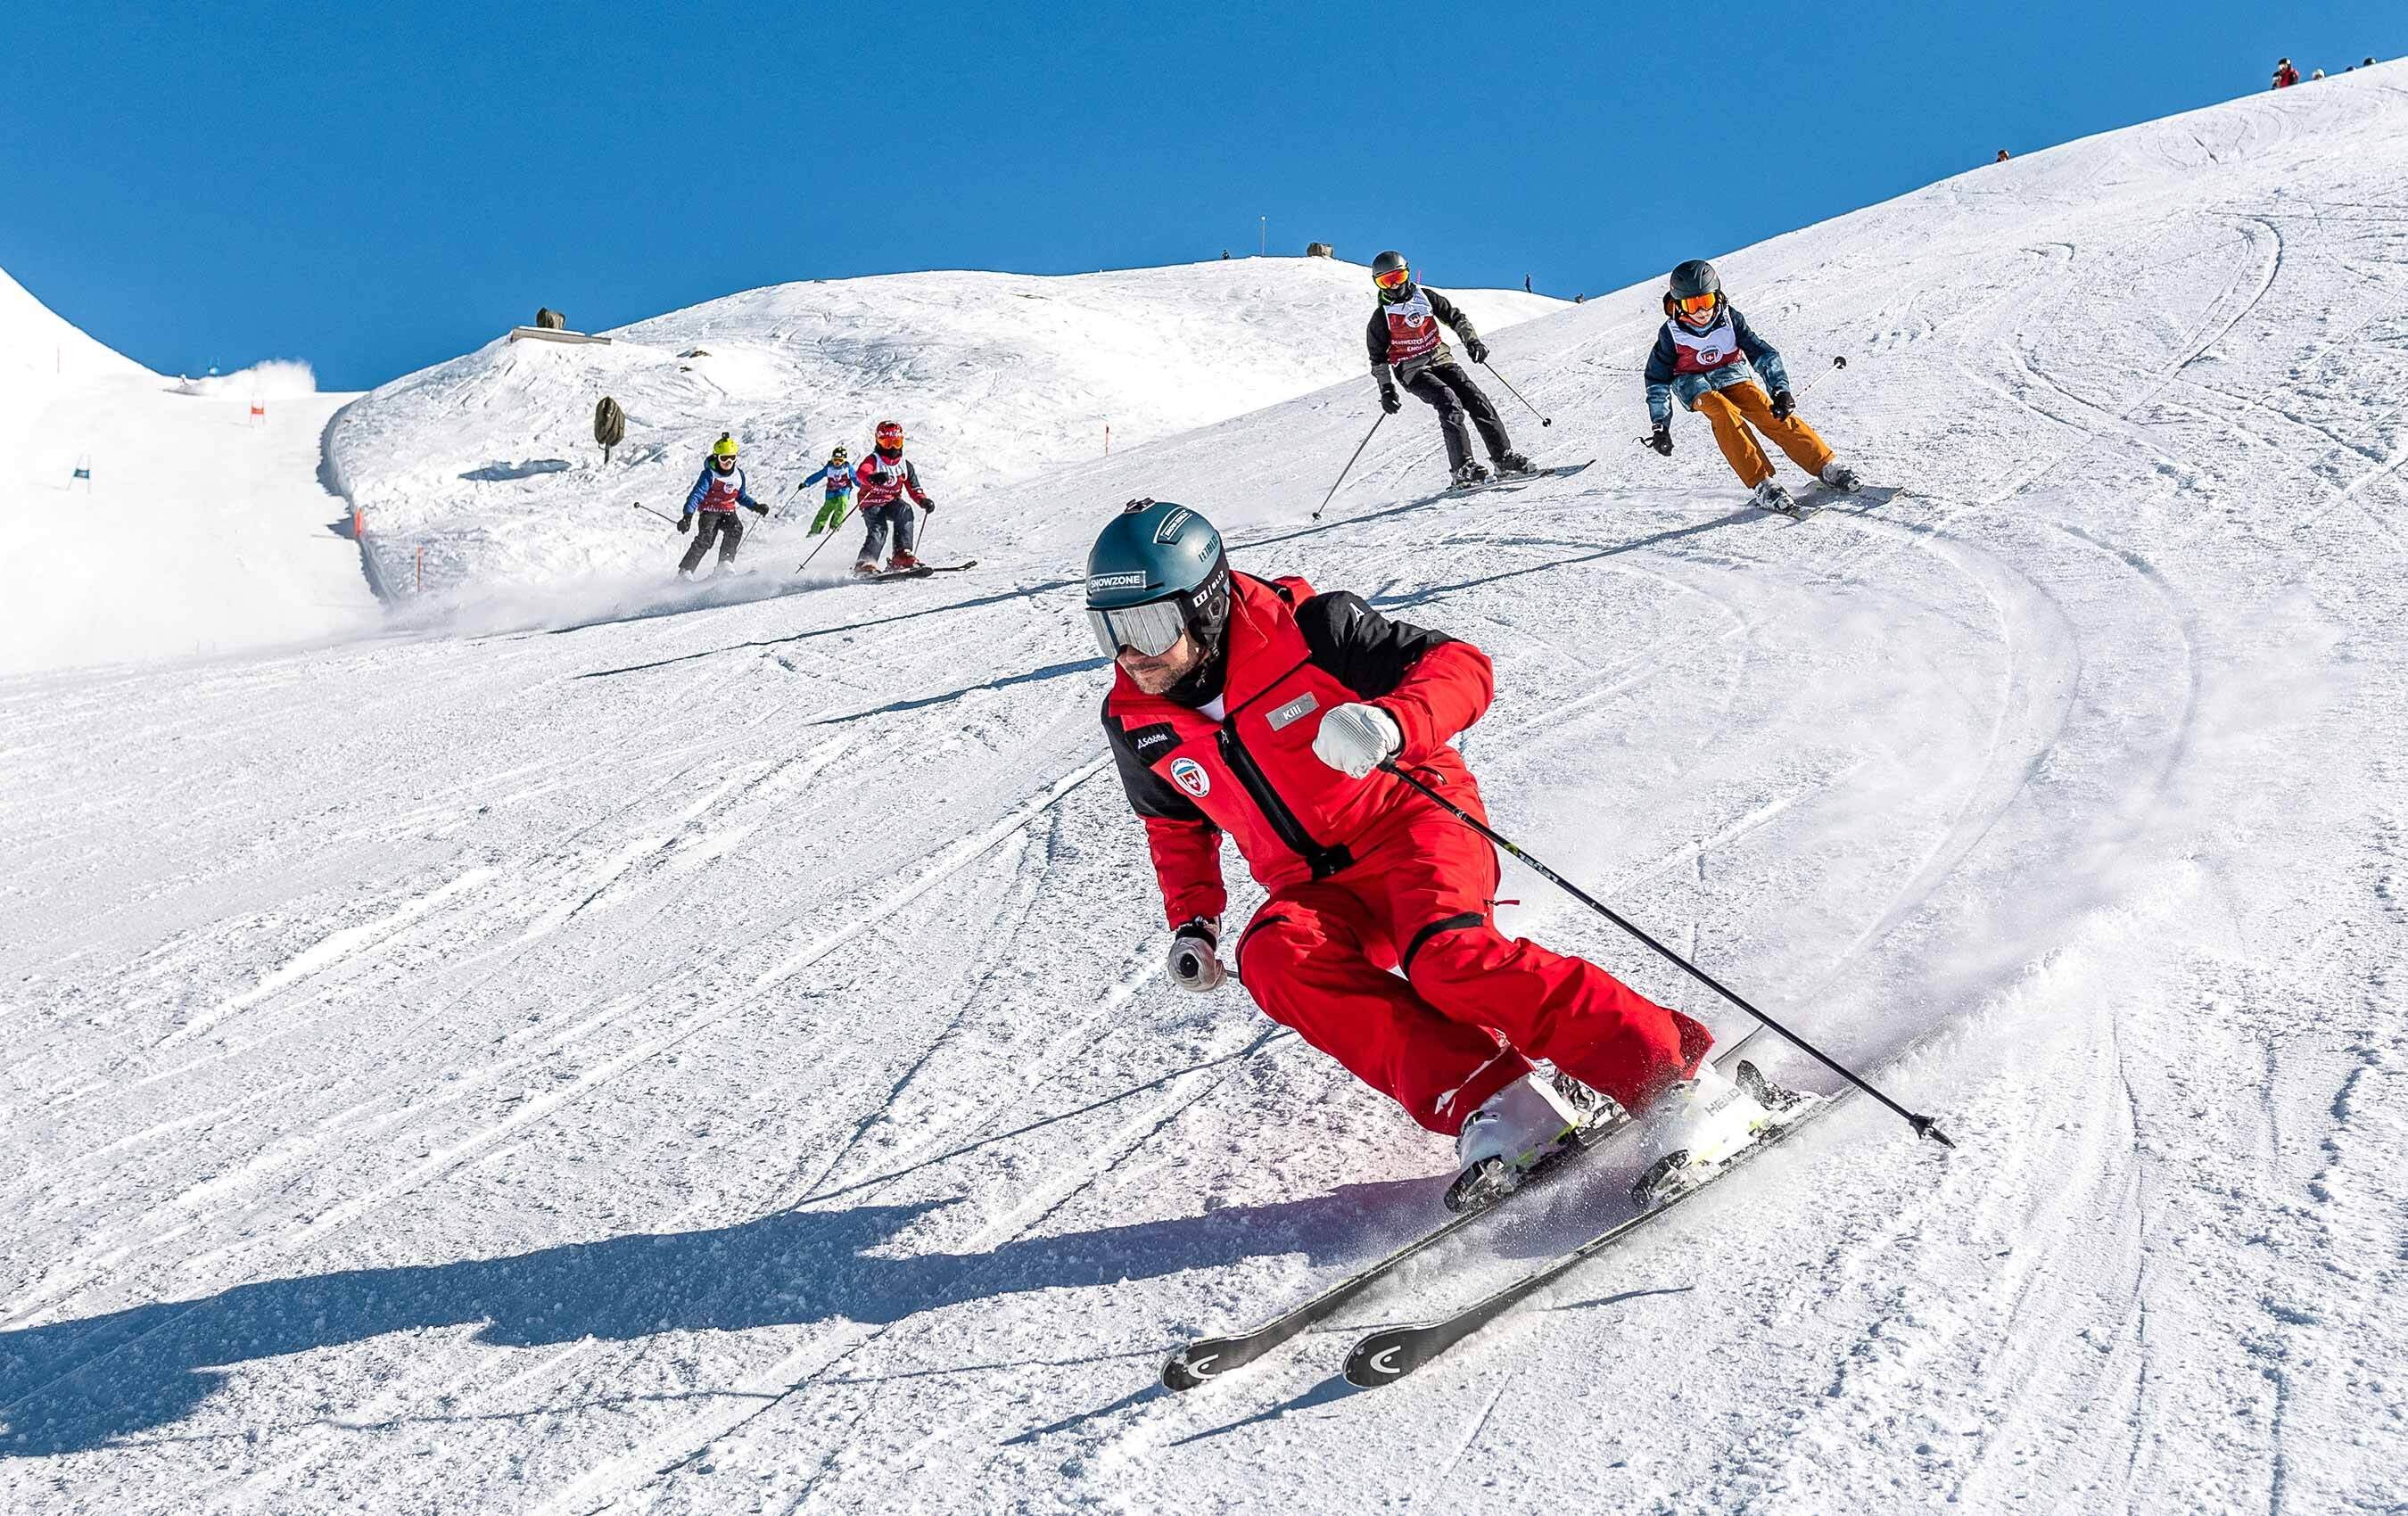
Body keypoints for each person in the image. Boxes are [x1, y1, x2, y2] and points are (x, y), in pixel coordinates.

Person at [1089, 498, 1784, 1209]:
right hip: (1316, 886)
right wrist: (1194, 920)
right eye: (1109, 629)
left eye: (1147, 625)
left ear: (1203, 605)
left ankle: (1678, 1081)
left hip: (1414, 824)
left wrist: (1390, 721)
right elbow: (1175, 825)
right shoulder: (1135, 719)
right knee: (1274, 956)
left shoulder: (1314, 634)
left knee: (1449, 961)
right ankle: (1505, 1102)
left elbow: (1462, 667)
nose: (1129, 652)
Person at [1642, 260, 1859, 515]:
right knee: (1722, 411)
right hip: (1692, 383)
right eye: (1692, 304)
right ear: (1678, 304)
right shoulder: (1671, 334)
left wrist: (1780, 390)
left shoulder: (1730, 319)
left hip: (1731, 374)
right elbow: (1656, 380)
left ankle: (1826, 466)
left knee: (1768, 411)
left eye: (1706, 301)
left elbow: (1763, 354)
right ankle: (1763, 483)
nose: (1701, 312)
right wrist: (1660, 426)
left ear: (1717, 296)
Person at [1364, 251, 1534, 488]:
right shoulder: (1381, 317)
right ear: (1378, 284)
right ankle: (1462, 468)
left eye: (1398, 277)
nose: (1394, 286)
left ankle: (1503, 458)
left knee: (1476, 399)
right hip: (1413, 370)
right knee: (1448, 401)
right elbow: (1378, 360)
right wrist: (1387, 390)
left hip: (1441, 359)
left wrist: (1472, 340)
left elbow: (1455, 318)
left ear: (1408, 273)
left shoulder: (1425, 297)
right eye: (1386, 281)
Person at [678, 433, 770, 578]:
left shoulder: (738, 475)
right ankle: (685, 572)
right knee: (705, 539)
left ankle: (724, 563)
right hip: (709, 511)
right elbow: (696, 495)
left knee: (736, 528)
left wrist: (756, 506)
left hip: (728, 511)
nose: (728, 462)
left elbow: (741, 496)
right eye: (724, 458)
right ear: (716, 457)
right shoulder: (709, 474)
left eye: (732, 458)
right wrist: (687, 516)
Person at [853, 420, 936, 575]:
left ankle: (901, 554)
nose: (892, 448)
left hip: (891, 501)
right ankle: (865, 563)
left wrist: (923, 500)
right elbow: (861, 473)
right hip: (871, 502)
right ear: (878, 442)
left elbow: (914, 487)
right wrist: (872, 478)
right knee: (879, 529)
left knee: (905, 510)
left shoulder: (905, 465)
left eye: (896, 443)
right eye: (887, 443)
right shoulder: (874, 460)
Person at [800, 445, 856, 535]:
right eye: (835, 460)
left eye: (840, 460)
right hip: (831, 492)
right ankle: (815, 530)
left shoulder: (847, 468)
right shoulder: (829, 468)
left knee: (842, 504)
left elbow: (855, 478)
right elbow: (818, 475)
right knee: (825, 510)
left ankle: (834, 526)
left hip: (843, 490)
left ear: (844, 460)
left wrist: (864, 485)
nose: (837, 463)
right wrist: (807, 483)